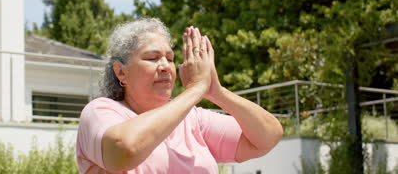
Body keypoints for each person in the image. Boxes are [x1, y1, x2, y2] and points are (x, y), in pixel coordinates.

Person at [76, 18, 283, 173]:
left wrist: (216, 92)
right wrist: (194, 91)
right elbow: (125, 149)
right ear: (121, 72)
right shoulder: (101, 111)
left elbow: (267, 137)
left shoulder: (192, 118)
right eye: (152, 58)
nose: (165, 66)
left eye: (170, 58)